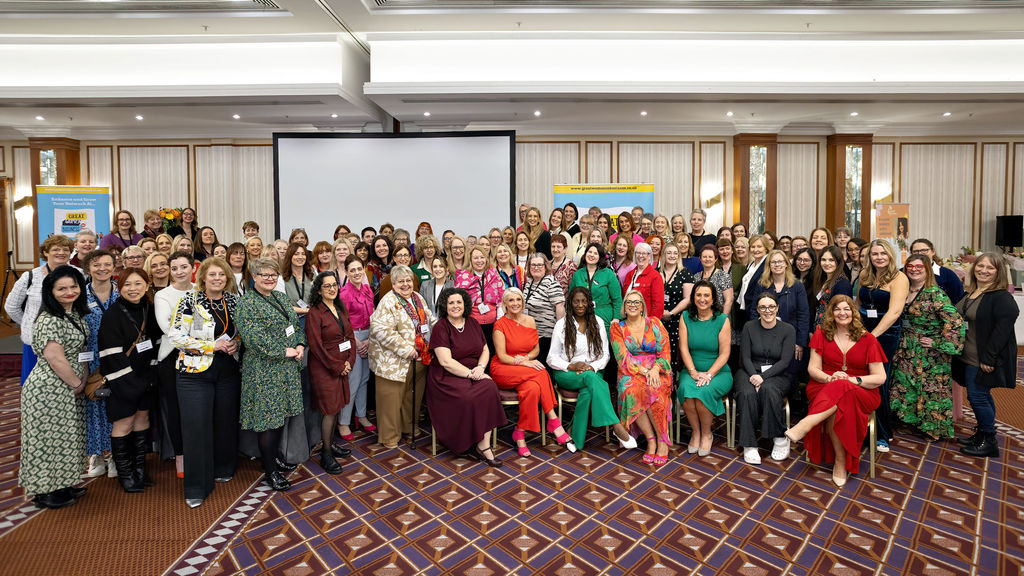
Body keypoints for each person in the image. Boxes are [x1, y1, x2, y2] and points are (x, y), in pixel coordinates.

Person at [785, 296, 887, 487]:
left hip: (862, 389)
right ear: (831, 313)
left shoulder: (868, 339)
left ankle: (808, 423)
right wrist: (829, 378)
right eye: (837, 309)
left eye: (847, 309)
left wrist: (851, 380)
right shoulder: (821, 335)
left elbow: (880, 377)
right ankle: (840, 462)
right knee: (839, 397)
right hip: (824, 386)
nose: (842, 313)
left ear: (853, 312)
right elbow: (813, 370)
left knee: (843, 388)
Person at [169, 256, 240, 507]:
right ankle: (196, 487)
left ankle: (223, 468)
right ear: (202, 277)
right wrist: (212, 346)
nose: (217, 279)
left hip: (228, 370)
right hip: (194, 372)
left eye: (222, 275)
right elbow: (175, 336)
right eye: (212, 275)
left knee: (225, 422)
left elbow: (240, 332)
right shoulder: (190, 300)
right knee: (196, 428)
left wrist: (235, 344)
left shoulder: (234, 300)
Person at [18, 265, 90, 509]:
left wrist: (81, 380)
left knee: (66, 438)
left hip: (68, 387)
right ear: (51, 291)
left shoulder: (74, 315)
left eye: (73, 286)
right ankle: (46, 491)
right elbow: (55, 357)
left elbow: (80, 352)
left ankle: (62, 484)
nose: (69, 292)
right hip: (49, 389)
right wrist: (77, 383)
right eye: (62, 288)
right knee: (47, 441)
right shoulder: (49, 318)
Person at [236, 258, 306, 492]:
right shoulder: (247, 304)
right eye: (263, 274)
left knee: (280, 417)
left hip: (286, 369)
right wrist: (282, 351)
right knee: (269, 420)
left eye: (273, 274)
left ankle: (272, 458)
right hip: (264, 370)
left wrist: (299, 344)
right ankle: (270, 471)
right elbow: (253, 337)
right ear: (253, 277)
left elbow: (295, 325)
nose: (269, 278)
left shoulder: (280, 297)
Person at [548, 286, 637, 451]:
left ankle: (575, 438)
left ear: (589, 303)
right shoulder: (561, 325)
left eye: (584, 301)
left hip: (593, 371)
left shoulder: (598, 322)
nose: (580, 305)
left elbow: (605, 355)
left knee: (588, 390)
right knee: (591, 380)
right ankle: (616, 426)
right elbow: (551, 358)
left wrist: (592, 367)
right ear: (570, 304)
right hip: (566, 373)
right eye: (576, 301)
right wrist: (571, 365)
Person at [490, 288, 576, 456]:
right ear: (505, 304)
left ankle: (519, 434)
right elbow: (502, 356)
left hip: (525, 367)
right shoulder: (499, 324)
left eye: (518, 300)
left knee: (532, 389)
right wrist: (525, 362)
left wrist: (528, 359)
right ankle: (553, 421)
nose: (515, 303)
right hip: (504, 368)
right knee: (541, 372)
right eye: (511, 300)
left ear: (523, 302)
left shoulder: (530, 320)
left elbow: (536, 349)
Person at [890, 254, 965, 441]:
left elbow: (955, 322)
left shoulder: (935, 293)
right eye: (910, 266)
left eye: (919, 267)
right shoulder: (904, 290)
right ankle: (911, 421)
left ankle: (934, 429)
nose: (914, 270)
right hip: (906, 348)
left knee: (930, 390)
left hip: (929, 353)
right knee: (906, 386)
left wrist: (938, 343)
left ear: (927, 270)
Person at [427, 287, 505, 465]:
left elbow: (485, 349)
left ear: (465, 305)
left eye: (459, 302)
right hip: (447, 377)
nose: (455, 306)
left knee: (490, 388)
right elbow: (446, 361)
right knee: (467, 397)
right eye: (451, 303)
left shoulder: (472, 323)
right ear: (444, 306)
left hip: (474, 371)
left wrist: (480, 368)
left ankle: (483, 445)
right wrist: (471, 374)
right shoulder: (441, 327)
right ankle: (463, 441)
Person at [99, 267, 159, 493]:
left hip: (146, 378)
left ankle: (140, 470)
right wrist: (132, 383)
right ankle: (126, 475)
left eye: (138, 284)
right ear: (119, 287)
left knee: (142, 420)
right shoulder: (113, 314)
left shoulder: (148, 309)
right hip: (123, 380)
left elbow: (155, 343)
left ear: (146, 285)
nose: (133, 289)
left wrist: (149, 376)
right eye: (127, 285)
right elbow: (110, 354)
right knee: (123, 423)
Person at [953, 253, 1018, 457]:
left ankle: (989, 441)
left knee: (977, 396)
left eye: (990, 268)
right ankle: (982, 434)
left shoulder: (1001, 297)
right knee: (980, 395)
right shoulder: (973, 291)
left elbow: (1002, 332)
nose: (983, 270)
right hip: (968, 354)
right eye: (980, 266)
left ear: (998, 272)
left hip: (982, 357)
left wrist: (988, 358)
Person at [369, 265, 435, 449]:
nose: (405, 284)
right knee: (390, 401)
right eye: (401, 281)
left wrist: (441, 332)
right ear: (393, 283)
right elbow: (380, 330)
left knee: (411, 398)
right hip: (393, 363)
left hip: (419, 359)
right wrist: (405, 349)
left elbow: (429, 318)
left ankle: (409, 428)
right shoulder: (388, 301)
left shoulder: (418, 297)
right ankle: (390, 436)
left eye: (408, 281)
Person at [856, 239, 909, 452]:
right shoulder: (865, 275)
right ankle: (863, 429)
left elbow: (895, 312)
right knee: (861, 375)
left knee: (879, 381)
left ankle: (883, 434)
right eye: (874, 254)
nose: (879, 257)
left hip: (885, 334)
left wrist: (872, 336)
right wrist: (859, 331)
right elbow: (858, 303)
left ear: (890, 255)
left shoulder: (899, 278)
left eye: (883, 253)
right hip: (863, 331)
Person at [610, 289, 674, 465]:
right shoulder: (617, 328)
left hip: (658, 369)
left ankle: (662, 440)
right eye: (628, 302)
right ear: (624, 306)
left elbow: (665, 351)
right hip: (630, 371)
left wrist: (655, 369)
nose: (632, 305)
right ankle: (651, 439)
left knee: (655, 389)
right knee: (632, 390)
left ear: (642, 306)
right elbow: (622, 358)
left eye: (636, 302)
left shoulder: (655, 323)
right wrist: (645, 372)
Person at [304, 272, 356, 475]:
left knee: (338, 405)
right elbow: (316, 347)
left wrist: (349, 361)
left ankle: (330, 443)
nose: (332, 289)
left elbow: (350, 336)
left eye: (334, 285)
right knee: (330, 410)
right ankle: (326, 454)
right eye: (327, 286)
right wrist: (337, 366)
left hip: (343, 364)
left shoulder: (340, 308)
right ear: (319, 290)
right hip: (324, 368)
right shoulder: (315, 313)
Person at [6, 234, 76, 383]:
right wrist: (32, 324)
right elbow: (11, 307)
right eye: (56, 249)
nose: (61, 253)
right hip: (35, 342)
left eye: (66, 249)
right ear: (45, 252)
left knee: (70, 384)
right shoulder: (30, 276)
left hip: (70, 342)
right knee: (36, 385)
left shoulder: (80, 274)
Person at [736, 293, 796, 464]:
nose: (767, 311)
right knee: (746, 393)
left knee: (769, 389)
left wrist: (762, 378)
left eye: (771, 307)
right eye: (762, 307)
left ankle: (779, 438)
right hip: (749, 371)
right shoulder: (749, 326)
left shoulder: (788, 329)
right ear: (757, 310)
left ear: (777, 308)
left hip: (777, 374)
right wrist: (754, 376)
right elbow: (746, 357)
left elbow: (785, 361)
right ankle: (749, 444)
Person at [677, 281, 733, 457]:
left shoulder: (722, 320)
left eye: (706, 295)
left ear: (713, 298)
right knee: (686, 391)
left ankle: (707, 433)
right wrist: (693, 372)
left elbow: (724, 354)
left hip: (718, 372)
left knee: (702, 392)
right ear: (693, 297)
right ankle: (696, 432)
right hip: (691, 370)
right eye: (698, 295)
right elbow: (683, 348)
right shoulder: (685, 317)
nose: (702, 299)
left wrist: (709, 375)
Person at [154, 250, 194, 479]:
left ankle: (200, 452)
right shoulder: (163, 296)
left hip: (200, 356)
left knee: (198, 408)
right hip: (172, 356)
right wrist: (198, 331)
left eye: (184, 267)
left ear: (192, 268)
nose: (179, 272)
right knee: (176, 409)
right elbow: (166, 326)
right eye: (175, 268)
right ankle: (180, 456)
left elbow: (211, 322)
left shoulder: (201, 289)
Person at [80, 250, 118, 479]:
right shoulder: (79, 295)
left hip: (116, 357)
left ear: (114, 267)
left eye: (107, 264)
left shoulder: (122, 293)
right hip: (89, 357)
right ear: (88, 268)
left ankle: (113, 454)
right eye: (96, 265)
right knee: (94, 405)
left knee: (115, 406)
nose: (102, 268)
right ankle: (95, 455)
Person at [747, 250, 810, 373]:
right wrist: (755, 338)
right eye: (773, 262)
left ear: (786, 264)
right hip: (765, 336)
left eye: (780, 261)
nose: (777, 265)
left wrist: (800, 343)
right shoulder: (761, 285)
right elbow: (755, 312)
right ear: (768, 266)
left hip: (791, 338)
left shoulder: (797, 286)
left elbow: (803, 315)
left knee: (790, 373)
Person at [337, 255, 377, 440]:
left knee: (364, 379)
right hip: (353, 337)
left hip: (369, 336)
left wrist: (369, 339)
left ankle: (360, 415)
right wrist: (357, 342)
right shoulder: (344, 293)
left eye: (359, 269)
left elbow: (374, 315)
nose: (356, 273)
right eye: (352, 270)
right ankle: (344, 422)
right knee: (353, 381)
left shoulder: (368, 289)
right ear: (346, 272)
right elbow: (342, 323)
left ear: (363, 270)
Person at [453, 246, 504, 354]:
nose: (479, 261)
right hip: (472, 326)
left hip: (493, 325)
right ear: (470, 260)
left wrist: (499, 320)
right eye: (476, 258)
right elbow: (458, 302)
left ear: (486, 259)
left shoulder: (494, 274)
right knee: (476, 354)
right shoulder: (463, 277)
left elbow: (501, 299)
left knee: (492, 353)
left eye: (482, 257)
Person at [570, 242, 622, 336]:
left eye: (595, 253)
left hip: (604, 317)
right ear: (585, 254)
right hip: (581, 316)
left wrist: (616, 318)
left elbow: (617, 299)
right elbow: (570, 298)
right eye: (590, 252)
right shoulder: (577, 274)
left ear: (600, 257)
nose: (592, 255)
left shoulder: (608, 274)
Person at [523, 253, 566, 364]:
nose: (536, 268)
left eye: (539, 265)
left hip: (546, 335)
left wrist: (559, 331)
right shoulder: (530, 282)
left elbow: (560, 306)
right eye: (533, 265)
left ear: (546, 266)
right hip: (531, 334)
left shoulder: (551, 282)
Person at [659, 243, 695, 372]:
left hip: (677, 318)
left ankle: (674, 381)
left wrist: (671, 313)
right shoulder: (657, 272)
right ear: (663, 255)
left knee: (675, 350)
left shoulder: (685, 273)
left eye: (675, 253)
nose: (672, 256)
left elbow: (688, 299)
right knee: (659, 348)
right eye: (669, 253)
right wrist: (660, 312)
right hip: (657, 318)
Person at [909, 238, 965, 305]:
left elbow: (959, 300)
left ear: (933, 251)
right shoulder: (904, 272)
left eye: (924, 250)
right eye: (915, 251)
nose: (920, 254)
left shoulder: (948, 274)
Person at [812, 246, 853, 333]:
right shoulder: (823, 279)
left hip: (833, 332)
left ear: (838, 262)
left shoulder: (842, 284)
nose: (827, 263)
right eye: (823, 260)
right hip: (819, 330)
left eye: (831, 260)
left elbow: (842, 314)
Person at [622, 242, 664, 317]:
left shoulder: (655, 276)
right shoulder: (629, 275)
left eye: (644, 253)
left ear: (649, 256)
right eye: (638, 253)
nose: (641, 256)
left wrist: (651, 323)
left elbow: (658, 306)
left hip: (646, 322)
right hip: (629, 320)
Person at [694, 244, 734, 314]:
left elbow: (729, 300)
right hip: (699, 315)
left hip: (718, 316)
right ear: (700, 259)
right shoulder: (696, 277)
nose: (707, 259)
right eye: (704, 257)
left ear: (715, 259)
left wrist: (723, 319)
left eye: (710, 257)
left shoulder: (723, 276)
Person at [282, 242, 314, 324]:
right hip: (292, 320)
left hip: (313, 319)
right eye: (296, 254)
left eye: (303, 254)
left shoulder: (312, 274)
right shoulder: (282, 278)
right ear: (290, 256)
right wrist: (307, 310)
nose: (300, 257)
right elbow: (283, 306)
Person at [366, 235, 394, 300]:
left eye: (384, 245)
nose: (381, 248)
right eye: (378, 246)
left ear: (389, 247)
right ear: (374, 250)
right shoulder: (369, 268)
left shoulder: (394, 266)